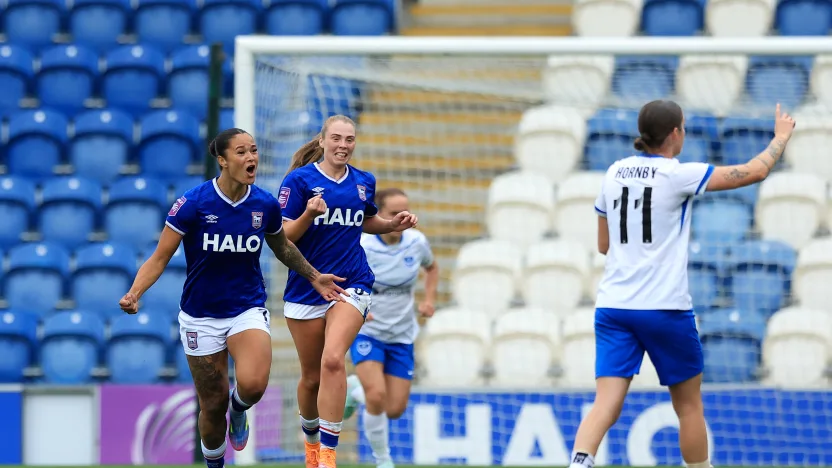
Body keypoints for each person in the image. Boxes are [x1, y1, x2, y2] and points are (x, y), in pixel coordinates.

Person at [568, 100, 795, 468]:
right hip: (664, 308)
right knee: (688, 405)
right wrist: (780, 138)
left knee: (605, 404)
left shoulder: (613, 173)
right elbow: (754, 172)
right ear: (675, 133)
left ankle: (579, 463)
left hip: (614, 307)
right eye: (684, 127)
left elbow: (603, 245)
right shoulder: (677, 174)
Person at [118, 128, 347, 468]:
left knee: (252, 386)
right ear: (222, 161)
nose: (251, 157)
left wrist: (314, 276)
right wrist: (135, 293)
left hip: (247, 308)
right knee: (212, 405)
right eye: (241, 152)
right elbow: (160, 257)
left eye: (253, 150)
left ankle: (239, 411)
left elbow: (282, 245)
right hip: (200, 316)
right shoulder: (193, 204)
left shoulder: (265, 204)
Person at [278, 115, 419, 468]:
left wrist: (389, 223)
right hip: (306, 284)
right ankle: (311, 446)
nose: (343, 145)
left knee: (333, 359)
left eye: (350, 139)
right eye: (337, 138)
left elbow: (364, 219)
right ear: (322, 141)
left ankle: (328, 454)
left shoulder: (363, 182)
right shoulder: (299, 181)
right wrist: (309, 214)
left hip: (352, 284)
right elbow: (283, 238)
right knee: (311, 378)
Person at [341, 187, 439, 468]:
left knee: (394, 409)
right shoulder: (363, 245)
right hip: (368, 333)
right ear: (379, 215)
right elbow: (342, 279)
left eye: (406, 211)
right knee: (377, 396)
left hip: (402, 334)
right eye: (395, 213)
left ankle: (354, 388)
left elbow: (432, 268)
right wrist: (357, 306)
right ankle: (383, 461)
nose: (402, 217)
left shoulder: (416, 242)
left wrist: (429, 300)